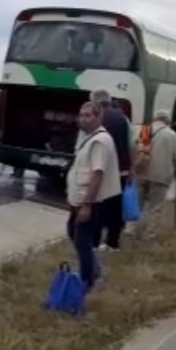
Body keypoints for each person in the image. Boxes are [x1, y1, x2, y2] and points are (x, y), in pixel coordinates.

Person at [66, 102, 121, 290]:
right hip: (79, 199)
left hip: (89, 202)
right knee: (73, 233)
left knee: (82, 241)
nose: (83, 118)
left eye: (88, 115)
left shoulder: (100, 141)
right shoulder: (89, 138)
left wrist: (87, 205)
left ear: (98, 117)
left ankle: (88, 281)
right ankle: (94, 271)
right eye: (81, 115)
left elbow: (98, 174)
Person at [90, 89, 133, 251]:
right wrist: (131, 168)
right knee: (116, 208)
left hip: (101, 168)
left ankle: (94, 242)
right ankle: (112, 243)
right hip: (120, 170)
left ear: (95, 102)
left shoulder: (95, 117)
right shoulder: (123, 118)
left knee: (97, 206)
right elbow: (132, 144)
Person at [139, 110, 176, 213]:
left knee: (138, 206)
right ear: (168, 122)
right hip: (160, 176)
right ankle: (151, 229)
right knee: (156, 208)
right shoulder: (172, 135)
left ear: (155, 119)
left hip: (142, 174)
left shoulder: (145, 131)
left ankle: (132, 228)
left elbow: (141, 152)